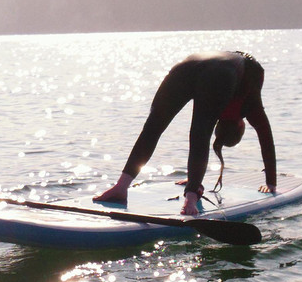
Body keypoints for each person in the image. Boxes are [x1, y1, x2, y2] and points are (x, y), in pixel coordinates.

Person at [94, 51, 276, 216]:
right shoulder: (249, 106)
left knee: (153, 127)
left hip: (185, 66)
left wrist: (271, 180)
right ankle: (191, 198)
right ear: (238, 125)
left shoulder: (243, 87)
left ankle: (121, 186)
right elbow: (264, 136)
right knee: (200, 132)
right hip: (219, 75)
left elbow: (266, 137)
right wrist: (271, 184)